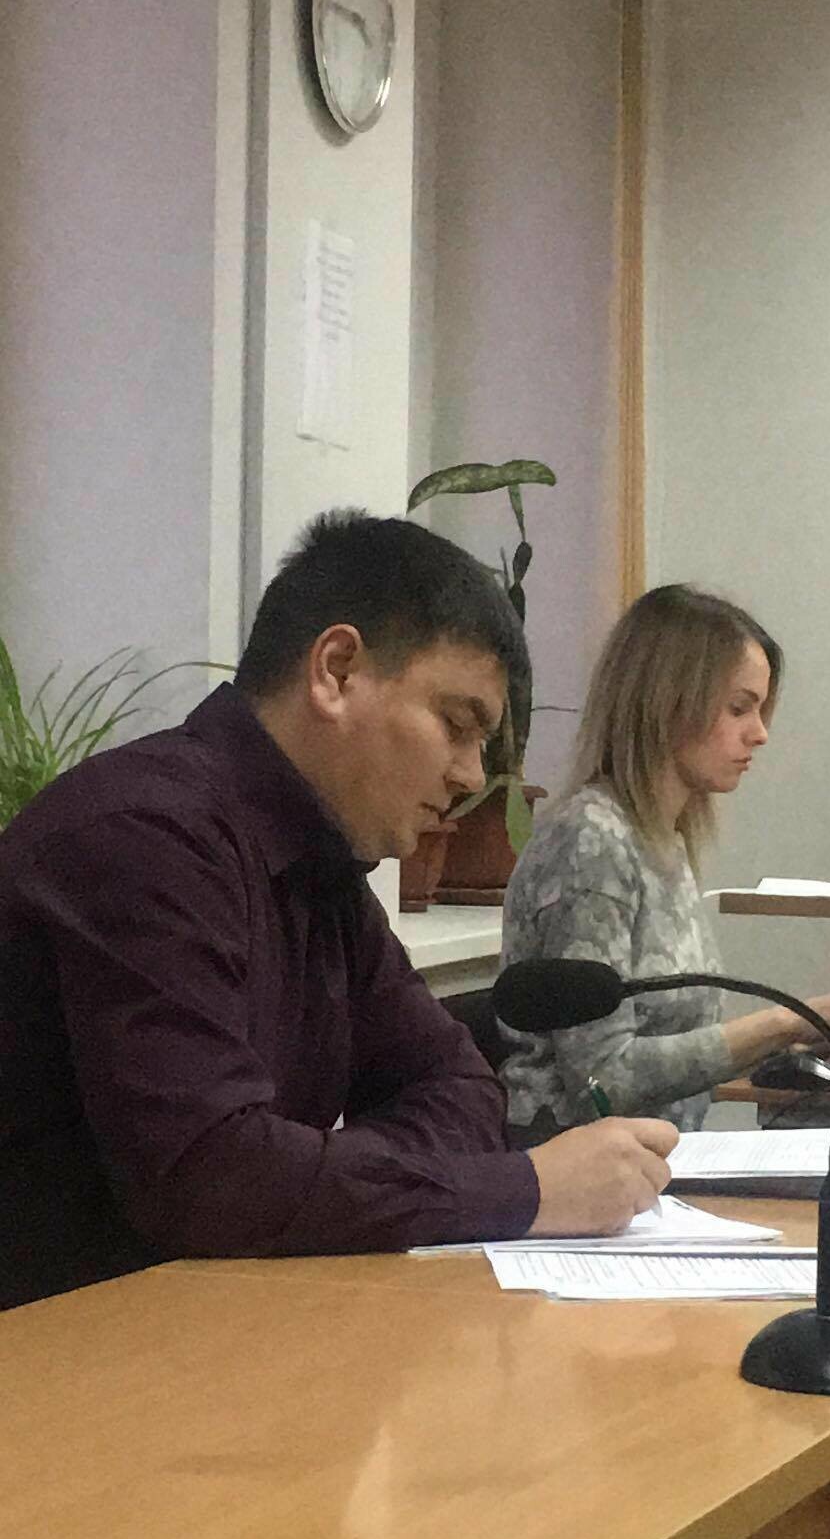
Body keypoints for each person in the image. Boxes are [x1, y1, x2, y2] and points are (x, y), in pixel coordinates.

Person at [0, 512, 676, 1308]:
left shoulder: (323, 865)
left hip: (207, 1323)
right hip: (54, 1348)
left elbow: (460, 1087)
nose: (470, 775)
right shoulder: (142, 836)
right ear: (337, 670)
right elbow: (209, 1178)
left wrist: (308, 1178)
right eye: (457, 725)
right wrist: (523, 1191)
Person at [500, 584, 830, 1142]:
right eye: (739, 708)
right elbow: (601, 1081)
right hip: (576, 1165)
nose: (759, 733)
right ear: (668, 701)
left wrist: (807, 1033)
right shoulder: (592, 839)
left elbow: (669, 1055)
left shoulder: (663, 839)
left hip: (657, 1159)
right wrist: (785, 1022)